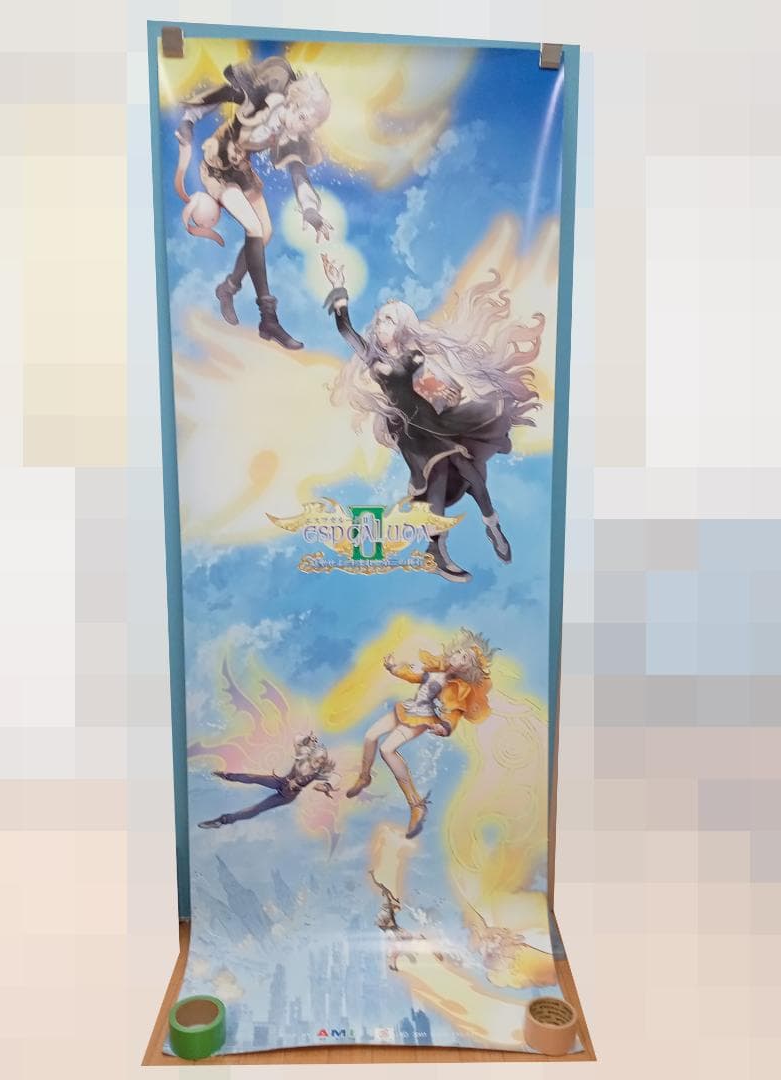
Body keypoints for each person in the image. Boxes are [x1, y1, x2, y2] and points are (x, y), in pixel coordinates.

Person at [322, 253, 544, 581]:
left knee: (471, 475)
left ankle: (492, 525)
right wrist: (338, 288)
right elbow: (345, 329)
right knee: (436, 476)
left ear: (401, 326)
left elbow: (435, 390)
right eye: (379, 320)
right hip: (411, 433)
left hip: (436, 422)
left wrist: (446, 394)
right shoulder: (373, 358)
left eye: (388, 320)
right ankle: (436, 549)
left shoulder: (414, 356)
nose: (380, 326)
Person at [175, 56, 333, 349]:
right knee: (254, 229)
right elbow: (223, 94)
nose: (301, 129)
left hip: (241, 170)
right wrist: (188, 121)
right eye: (302, 119)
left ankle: (228, 288)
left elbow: (298, 172)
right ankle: (268, 319)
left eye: (307, 126)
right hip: (216, 165)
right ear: (293, 104)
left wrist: (310, 208)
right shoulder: (262, 101)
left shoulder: (290, 134)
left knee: (265, 233)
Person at [346, 630, 495, 838]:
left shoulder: (456, 688)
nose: (457, 655)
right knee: (370, 735)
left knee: (386, 750)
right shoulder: (436, 669)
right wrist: (393, 668)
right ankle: (364, 777)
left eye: (464, 657)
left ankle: (416, 805)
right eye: (460, 652)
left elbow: (453, 713)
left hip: (421, 718)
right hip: (408, 708)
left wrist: (444, 727)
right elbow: (414, 675)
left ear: (467, 668)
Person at [198, 733, 338, 828]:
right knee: (253, 778)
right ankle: (227, 776)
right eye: (317, 760)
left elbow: (336, 776)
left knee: (257, 809)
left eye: (321, 762)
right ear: (312, 756)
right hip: (280, 781)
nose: (317, 764)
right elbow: (297, 739)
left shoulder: (319, 773)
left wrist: (327, 785)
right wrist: (308, 739)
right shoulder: (303, 754)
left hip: (286, 795)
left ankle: (222, 821)